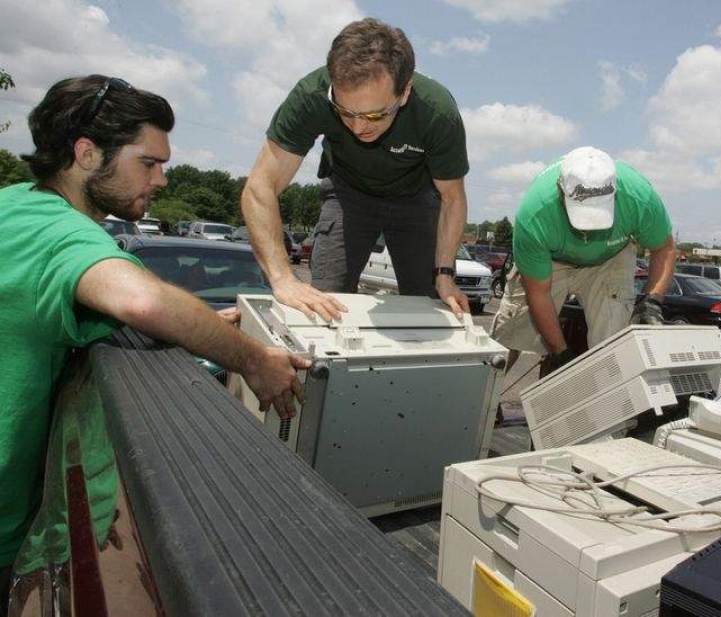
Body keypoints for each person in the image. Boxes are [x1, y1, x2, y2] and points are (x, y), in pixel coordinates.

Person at [0, 75, 309, 600]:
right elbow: (141, 301)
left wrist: (206, 325)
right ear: (87, 153)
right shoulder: (63, 230)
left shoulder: (15, 205)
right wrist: (255, 361)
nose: (162, 179)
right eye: (149, 162)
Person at [242, 17, 470, 320]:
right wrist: (283, 278)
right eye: (345, 112)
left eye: (375, 115)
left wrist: (444, 274)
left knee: (431, 305)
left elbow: (453, 198)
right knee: (323, 303)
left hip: (415, 201)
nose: (358, 127)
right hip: (349, 196)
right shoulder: (312, 96)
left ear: (404, 93)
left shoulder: (437, 112)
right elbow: (260, 187)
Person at [490, 147, 676, 371]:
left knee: (612, 346)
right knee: (511, 333)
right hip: (551, 260)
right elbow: (538, 293)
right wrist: (561, 352)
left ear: (614, 192)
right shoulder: (535, 215)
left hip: (610, 258)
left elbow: (664, 248)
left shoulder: (639, 197)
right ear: (561, 191)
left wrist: (652, 300)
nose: (587, 233)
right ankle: (485, 400)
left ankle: (610, 403)